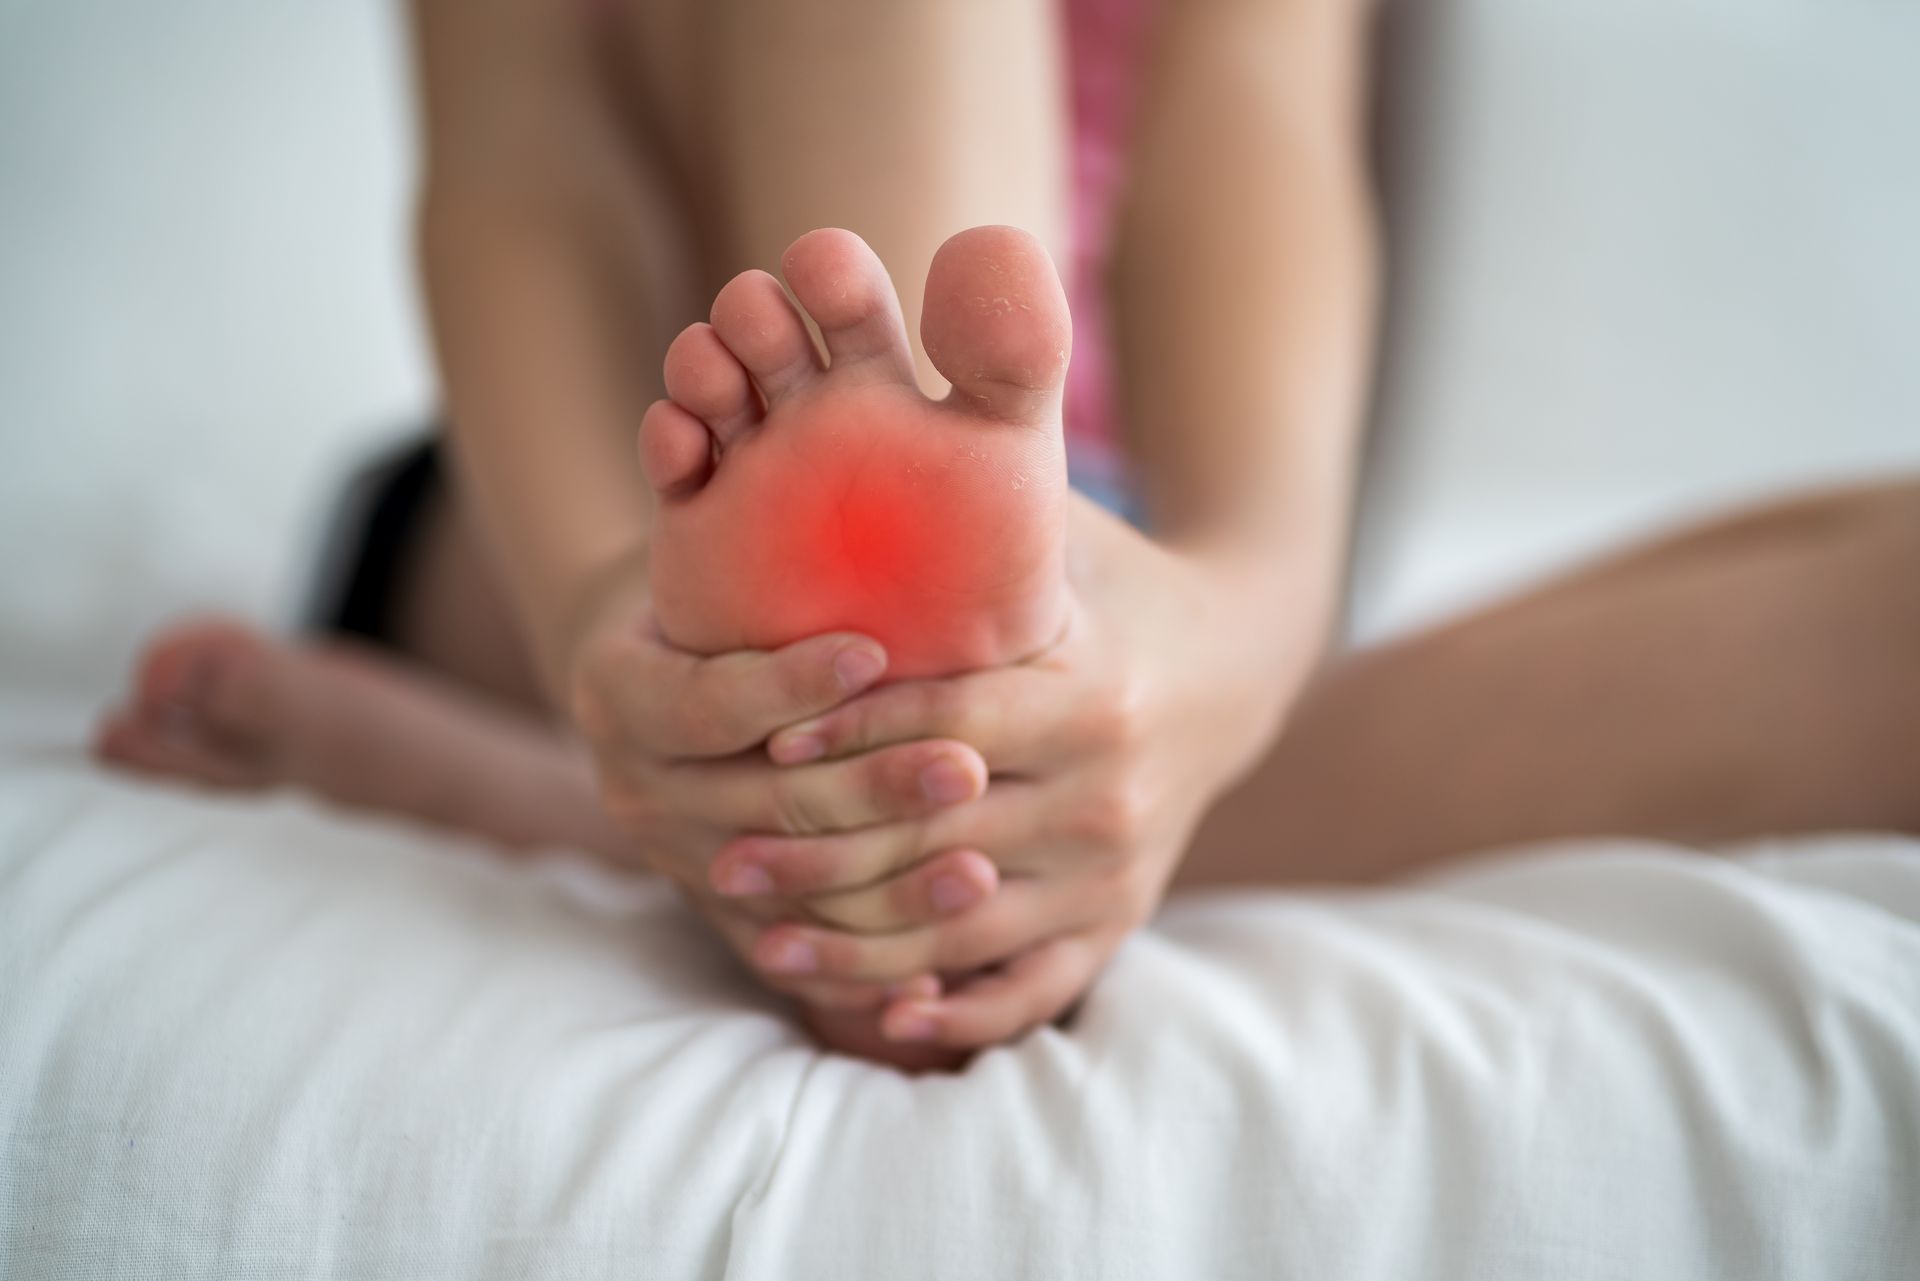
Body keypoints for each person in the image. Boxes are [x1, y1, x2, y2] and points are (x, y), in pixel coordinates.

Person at [96, 0, 1920, 1068]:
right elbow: (526, 187)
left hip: (1120, 590)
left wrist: (1227, 635)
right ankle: (896, 676)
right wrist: (593, 621)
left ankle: (907, 753)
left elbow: (1257, 156)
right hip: (584, 530)